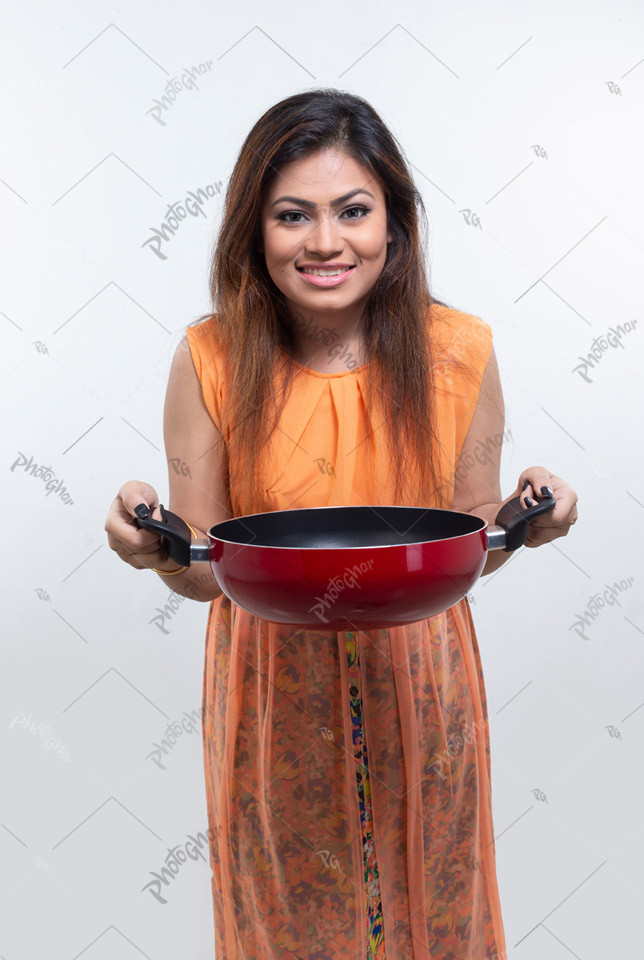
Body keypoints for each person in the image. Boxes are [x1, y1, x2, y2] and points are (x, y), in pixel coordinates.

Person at [105, 89, 578, 960]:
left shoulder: (459, 350)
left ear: (393, 225)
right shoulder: (208, 358)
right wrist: (156, 549)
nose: (326, 242)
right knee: (286, 919)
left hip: (423, 689)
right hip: (271, 692)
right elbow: (206, 563)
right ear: (256, 232)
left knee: (435, 912)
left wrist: (519, 519)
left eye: (353, 211)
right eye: (294, 216)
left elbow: (462, 536)